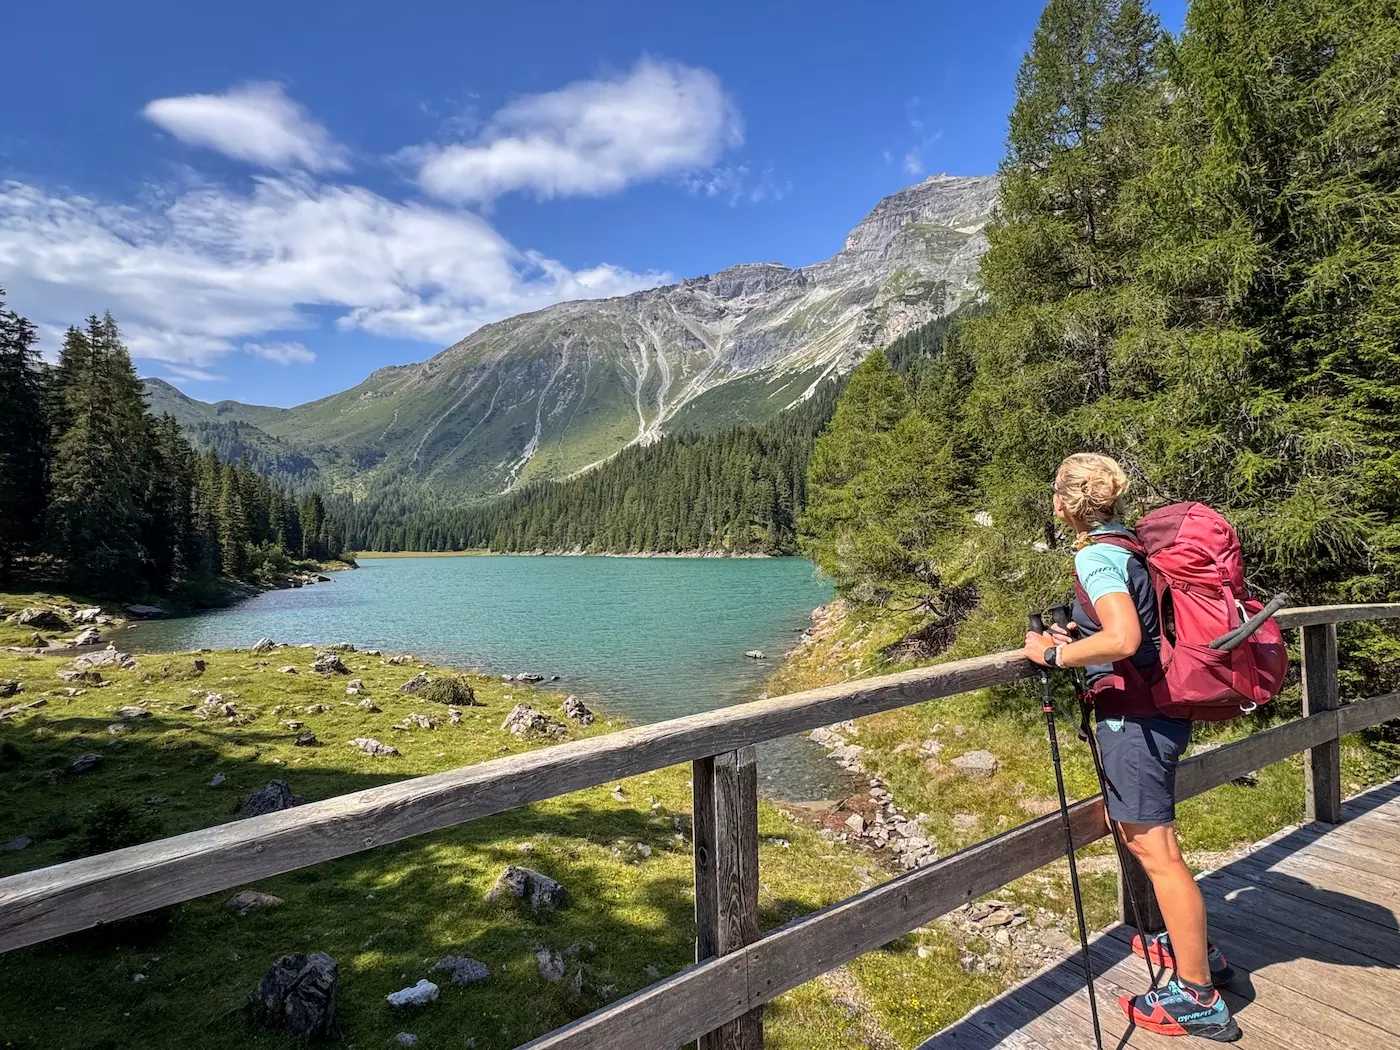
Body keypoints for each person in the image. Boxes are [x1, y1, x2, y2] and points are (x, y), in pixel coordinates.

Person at [1022, 453, 1240, 1042]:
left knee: (1157, 851)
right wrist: (1082, 633)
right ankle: (1198, 956)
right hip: (1156, 711)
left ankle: (1198, 994)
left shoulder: (1095, 553)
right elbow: (1124, 627)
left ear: (1063, 504)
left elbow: (1125, 637)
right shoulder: (1130, 547)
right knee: (1149, 844)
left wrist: (1053, 654)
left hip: (1135, 722)